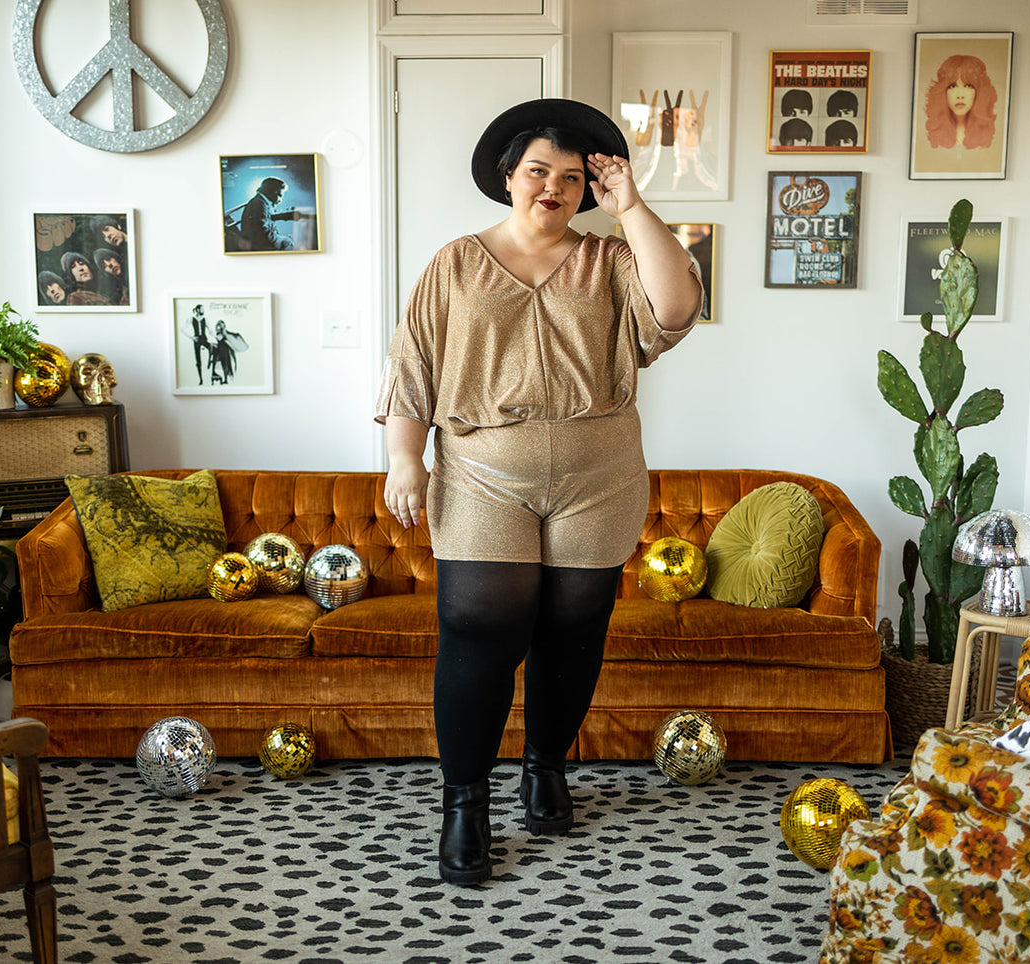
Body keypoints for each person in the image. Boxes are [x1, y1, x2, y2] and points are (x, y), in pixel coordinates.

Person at [375, 98, 702, 886]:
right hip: (483, 471)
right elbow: (413, 363)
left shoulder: (611, 258)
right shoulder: (455, 262)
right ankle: (464, 804)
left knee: (574, 628)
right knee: (476, 626)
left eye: (570, 177)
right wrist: (403, 458)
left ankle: (544, 766)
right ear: (507, 177)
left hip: (599, 473)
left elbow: (675, 309)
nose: (552, 186)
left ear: (587, 189)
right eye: (536, 171)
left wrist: (631, 207)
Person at [923, 54, 999, 150]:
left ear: (979, 92)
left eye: (968, 86)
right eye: (953, 86)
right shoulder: (935, 132)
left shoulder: (987, 133)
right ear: (942, 91)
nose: (960, 95)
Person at [229, 177, 309, 251]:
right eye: (280, 195)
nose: (280, 201)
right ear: (273, 192)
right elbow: (263, 236)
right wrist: (283, 241)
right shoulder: (259, 205)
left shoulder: (260, 203)